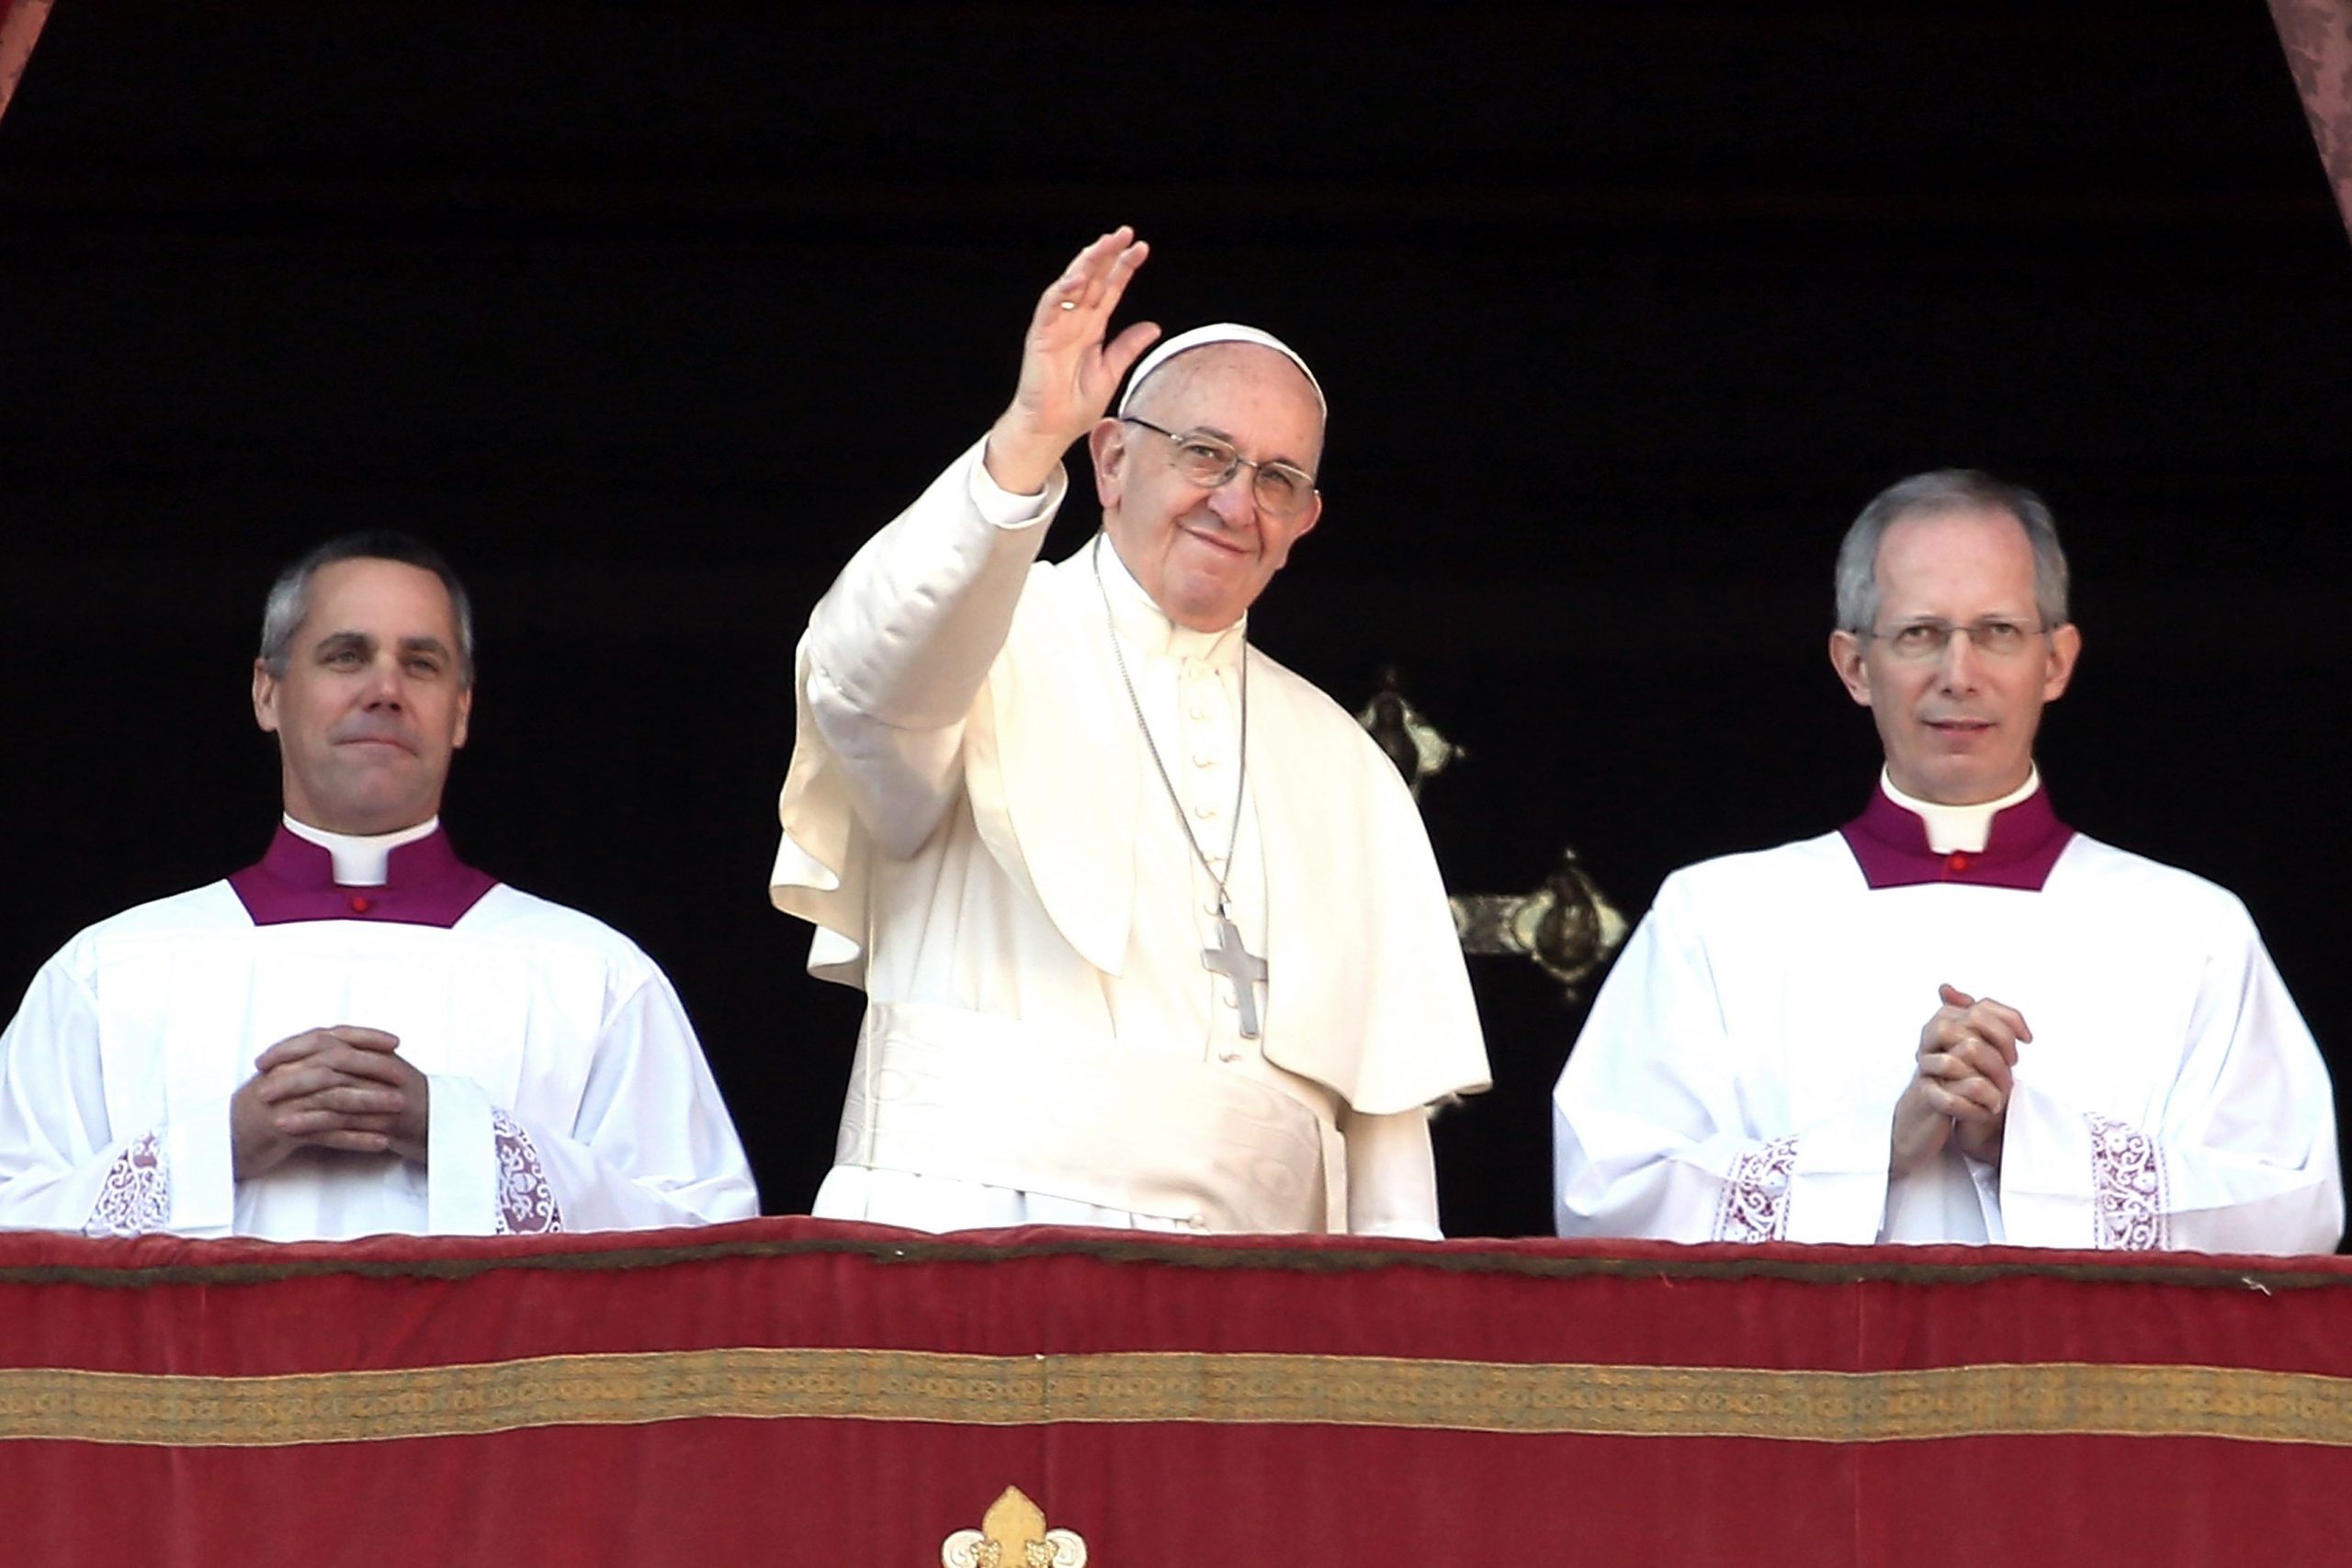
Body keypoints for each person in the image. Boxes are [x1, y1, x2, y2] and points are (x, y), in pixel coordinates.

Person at [769, 227, 1489, 1236]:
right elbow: (861, 678)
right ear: (1110, 458)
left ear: (1303, 523)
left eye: (1276, 479)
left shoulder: (1348, 770)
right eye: (1205, 453)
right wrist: (1026, 437)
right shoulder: (980, 648)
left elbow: (1387, 1152)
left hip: (1259, 1316)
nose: (1236, 502)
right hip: (969, 1257)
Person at [1553, 470, 2341, 1253]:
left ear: (2057, 661)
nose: (1958, 673)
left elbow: (2290, 1210)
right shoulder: (1716, 918)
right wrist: (1879, 1149)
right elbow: (1610, 1195)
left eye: (1998, 630)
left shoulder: (2190, 928)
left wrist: (2022, 1146)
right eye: (1919, 633)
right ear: (1856, 665)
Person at [0, 532, 757, 1239]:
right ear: (268, 693)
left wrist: (457, 1133)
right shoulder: (111, 971)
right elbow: (16, 1224)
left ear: (460, 710)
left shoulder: (593, 974)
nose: (385, 689)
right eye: (346, 655)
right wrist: (218, 1146)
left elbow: (702, 1242)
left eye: (422, 662)